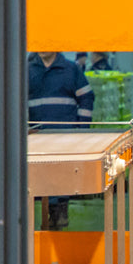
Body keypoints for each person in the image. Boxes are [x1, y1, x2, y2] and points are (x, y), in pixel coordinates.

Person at [26, 50, 92, 230]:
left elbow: (86, 97)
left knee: (61, 179)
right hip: (37, 138)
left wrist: (81, 130)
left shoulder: (71, 70)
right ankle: (44, 223)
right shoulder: (27, 70)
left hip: (64, 138)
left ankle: (59, 211)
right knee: (41, 181)